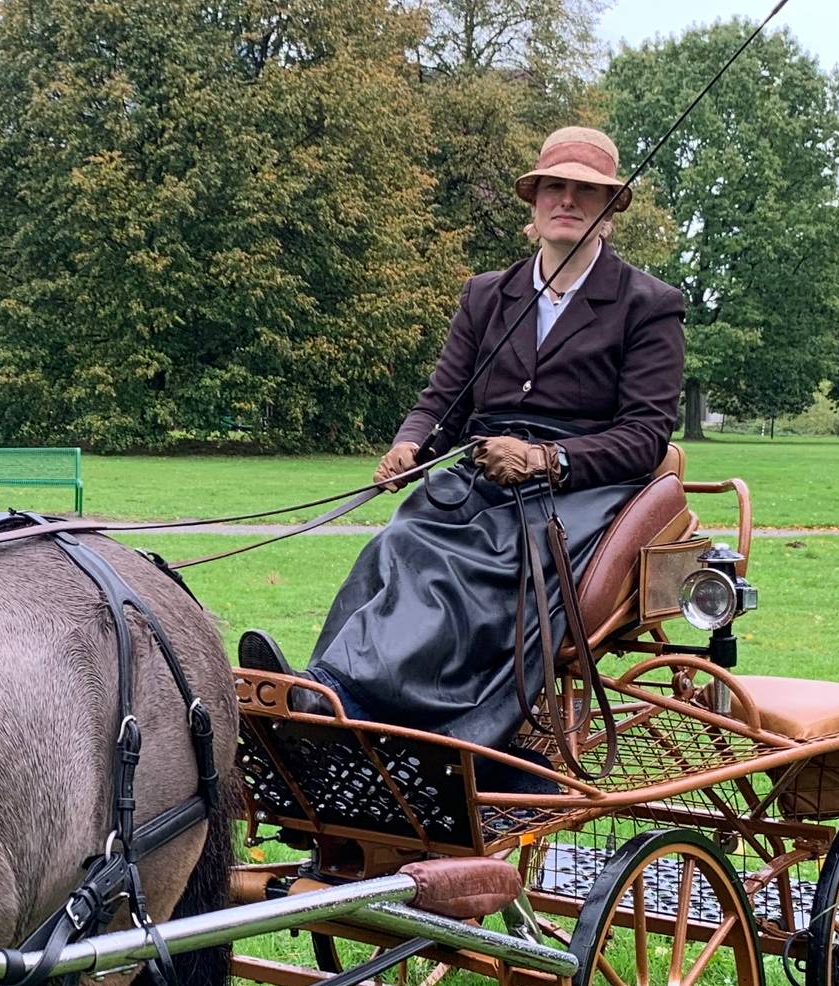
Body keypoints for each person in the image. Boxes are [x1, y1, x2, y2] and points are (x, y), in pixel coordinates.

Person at [242, 125, 685, 757]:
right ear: (532, 207)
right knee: (397, 544)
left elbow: (644, 436)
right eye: (552, 187)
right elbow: (442, 399)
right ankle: (327, 700)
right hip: (480, 472)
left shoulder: (648, 304)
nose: (567, 201)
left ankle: (411, 727)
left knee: (474, 568)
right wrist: (411, 444)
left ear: (610, 211)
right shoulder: (487, 294)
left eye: (585, 192)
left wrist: (547, 459)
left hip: (580, 487)